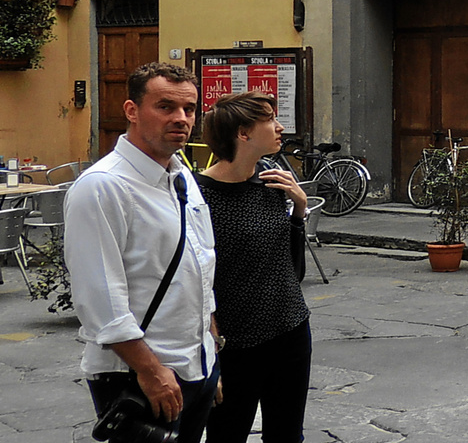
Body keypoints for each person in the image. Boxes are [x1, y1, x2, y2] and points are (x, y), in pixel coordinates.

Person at [65, 63, 220, 443]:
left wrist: (210, 351)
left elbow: (200, 263)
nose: (181, 118)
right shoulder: (103, 186)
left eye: (189, 109)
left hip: (195, 364)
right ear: (132, 110)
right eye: (165, 107)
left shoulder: (180, 175)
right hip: (140, 374)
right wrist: (150, 372)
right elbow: (100, 297)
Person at [196, 91, 312, 443]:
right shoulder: (199, 196)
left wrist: (299, 210)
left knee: (287, 436)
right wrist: (208, 348)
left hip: (290, 329)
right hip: (234, 343)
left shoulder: (271, 181)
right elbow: (195, 280)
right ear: (243, 133)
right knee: (226, 435)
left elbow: (292, 270)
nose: (280, 127)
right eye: (270, 120)